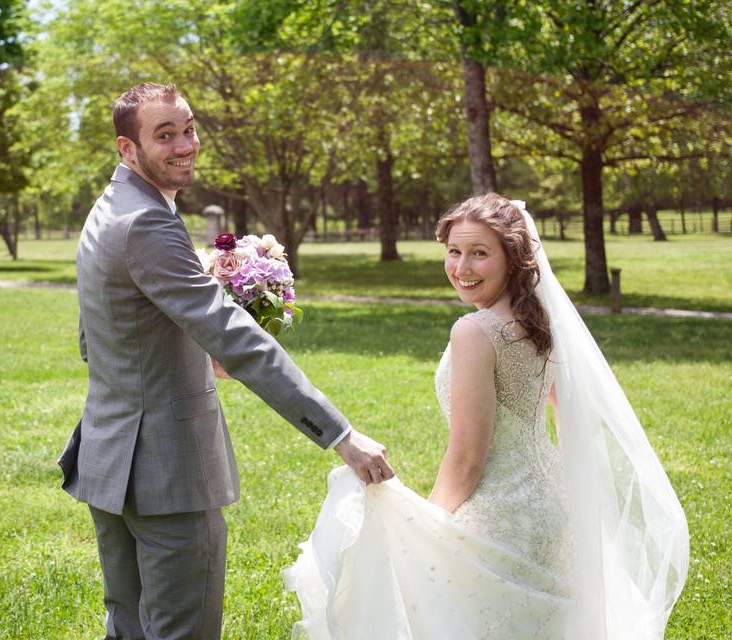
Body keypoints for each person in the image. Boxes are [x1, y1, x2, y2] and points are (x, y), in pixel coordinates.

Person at [56, 82, 394, 640]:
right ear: (127, 148)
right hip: (166, 471)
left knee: (129, 626)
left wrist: (184, 349)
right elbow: (239, 339)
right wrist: (340, 435)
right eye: (164, 135)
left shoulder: (110, 209)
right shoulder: (147, 221)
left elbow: (100, 334)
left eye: (188, 128)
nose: (185, 144)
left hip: (110, 459)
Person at [285, 193, 688, 639]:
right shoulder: (539, 320)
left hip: (499, 516)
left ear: (513, 259)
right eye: (454, 252)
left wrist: (427, 529)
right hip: (550, 507)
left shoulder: (475, 331)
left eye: (480, 253)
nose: (462, 268)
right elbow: (563, 414)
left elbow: (467, 458)